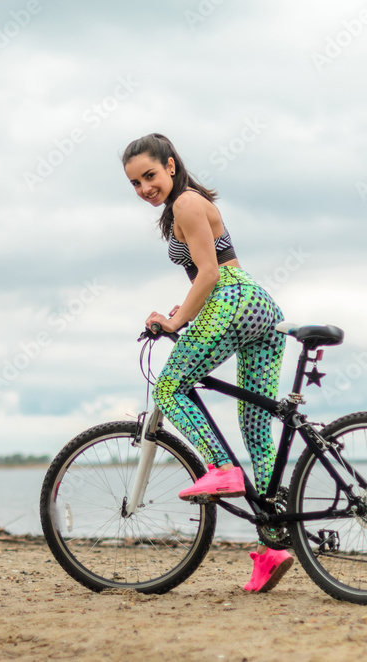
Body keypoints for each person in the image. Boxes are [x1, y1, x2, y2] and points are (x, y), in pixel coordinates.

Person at [121, 133, 293, 593]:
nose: (144, 188)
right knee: (257, 430)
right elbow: (207, 273)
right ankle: (273, 546)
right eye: (135, 183)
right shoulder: (183, 207)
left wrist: (174, 321)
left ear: (171, 166)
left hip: (232, 299)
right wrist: (178, 317)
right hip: (258, 308)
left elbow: (211, 275)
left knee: (168, 387)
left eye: (150, 176)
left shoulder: (186, 204)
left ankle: (219, 467)